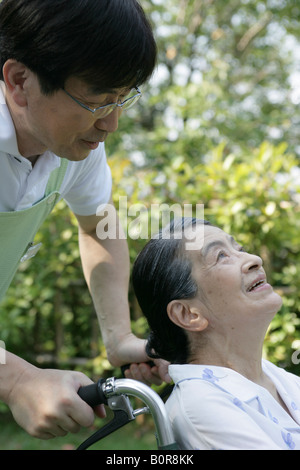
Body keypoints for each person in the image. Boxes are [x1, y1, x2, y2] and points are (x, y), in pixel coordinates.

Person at [0, 0, 169, 440]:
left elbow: (98, 226)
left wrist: (119, 337)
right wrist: (14, 378)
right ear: (20, 82)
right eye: (97, 99)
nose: (111, 123)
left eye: (123, 98)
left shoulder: (70, 144)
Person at [132, 218, 300, 450]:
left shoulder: (274, 377)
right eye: (221, 256)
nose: (254, 260)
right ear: (188, 314)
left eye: (238, 249)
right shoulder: (201, 405)